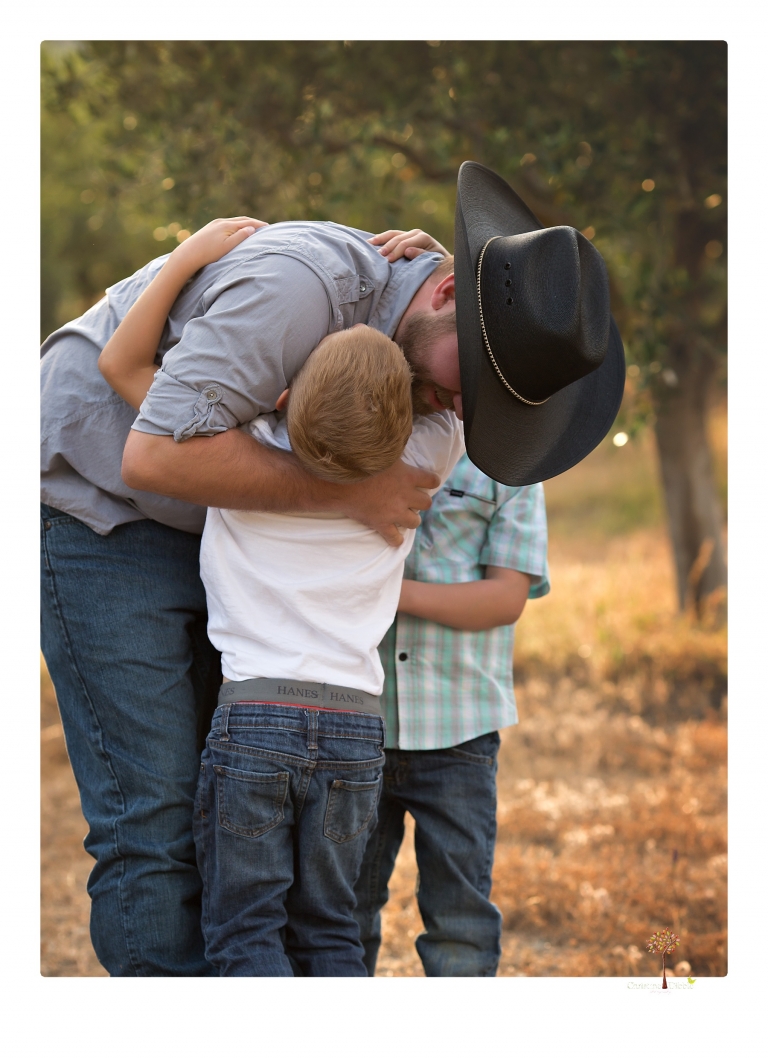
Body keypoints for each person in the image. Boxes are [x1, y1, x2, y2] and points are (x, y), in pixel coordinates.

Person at [41, 160, 624, 976]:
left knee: (239, 886)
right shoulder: (298, 296)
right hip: (101, 498)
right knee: (168, 826)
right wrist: (344, 489)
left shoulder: (421, 388)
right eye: (477, 384)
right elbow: (154, 456)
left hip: (237, 599)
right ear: (448, 295)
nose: (466, 414)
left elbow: (153, 382)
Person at [97, 217, 464, 975]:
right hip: (358, 730)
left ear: (286, 394)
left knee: (245, 932)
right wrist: (434, 268)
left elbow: (120, 365)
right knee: (332, 929)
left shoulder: (248, 455)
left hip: (257, 721)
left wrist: (188, 257)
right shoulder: (426, 458)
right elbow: (440, 386)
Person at [353, 453, 550, 976]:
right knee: (344, 909)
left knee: (459, 915)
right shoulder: (361, 442)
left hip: (460, 729)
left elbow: (506, 597)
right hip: (357, 725)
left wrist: (391, 594)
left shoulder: (515, 467)